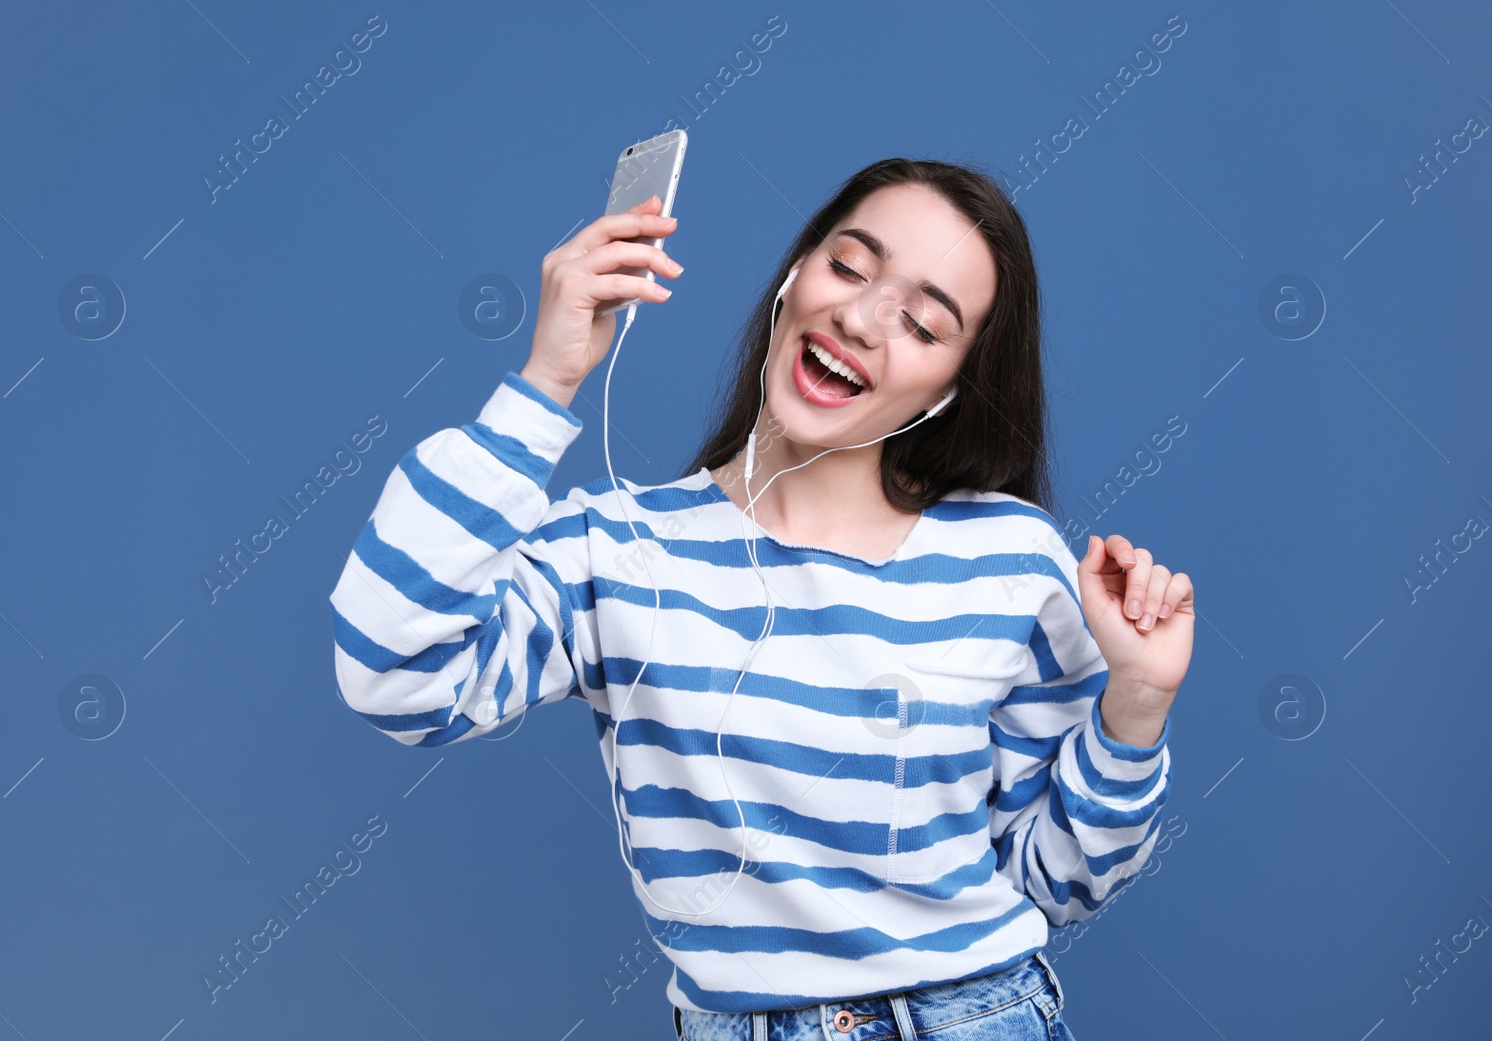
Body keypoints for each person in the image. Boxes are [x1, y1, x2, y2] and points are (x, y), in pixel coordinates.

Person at [327, 157, 1195, 1040]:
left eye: (924, 324)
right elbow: (396, 678)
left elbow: (1060, 881)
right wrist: (544, 385)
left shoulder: (1009, 560)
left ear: (951, 390)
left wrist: (1137, 704)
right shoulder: (620, 549)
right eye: (848, 267)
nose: (857, 318)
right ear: (793, 277)